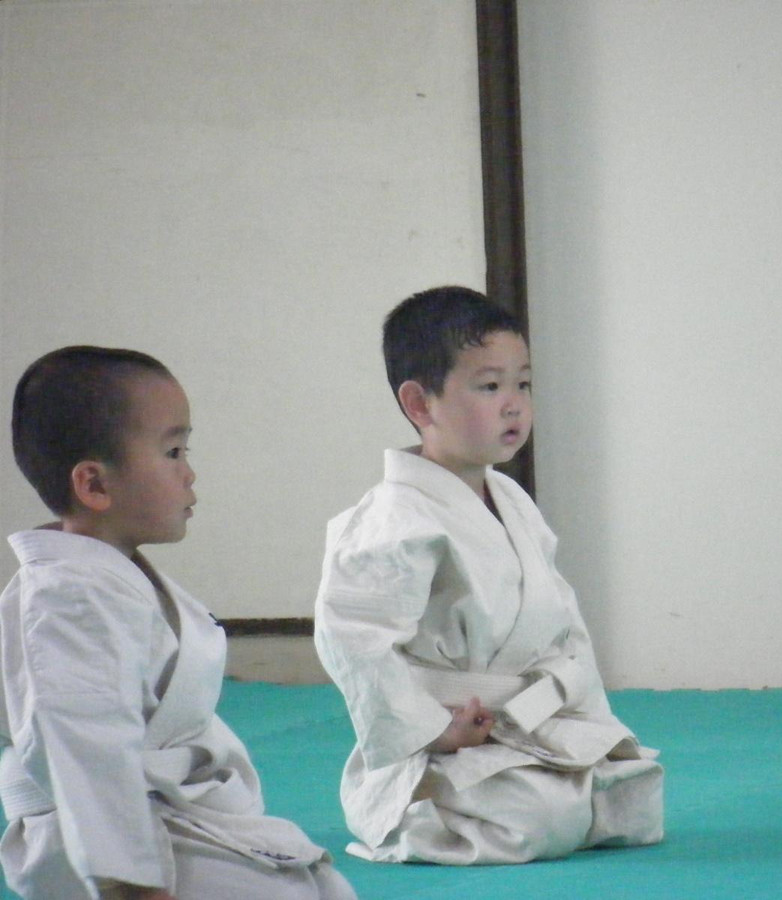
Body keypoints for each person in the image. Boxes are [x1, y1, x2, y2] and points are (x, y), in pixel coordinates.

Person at [314, 286, 663, 865]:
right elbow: (354, 639)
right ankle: (413, 815)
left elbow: (562, 622)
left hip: (525, 720)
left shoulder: (510, 498)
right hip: (449, 735)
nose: (514, 405)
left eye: (522, 384)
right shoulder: (392, 519)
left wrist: (582, 709)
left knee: (630, 791)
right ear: (420, 404)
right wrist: (433, 729)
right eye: (490, 386)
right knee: (540, 814)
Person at [0, 346, 358, 900]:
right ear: (95, 485)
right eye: (172, 452)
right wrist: (129, 880)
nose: (189, 473)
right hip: (93, 840)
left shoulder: (102, 579)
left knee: (317, 886)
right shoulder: (69, 600)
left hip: (158, 812)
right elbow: (86, 748)